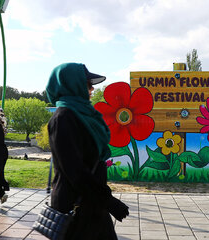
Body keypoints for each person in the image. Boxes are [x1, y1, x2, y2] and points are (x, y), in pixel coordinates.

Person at [46, 63, 129, 240]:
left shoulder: (83, 115)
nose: (92, 88)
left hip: (92, 202)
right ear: (71, 84)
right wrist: (109, 201)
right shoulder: (63, 118)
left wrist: (104, 200)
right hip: (74, 206)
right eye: (87, 83)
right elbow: (73, 170)